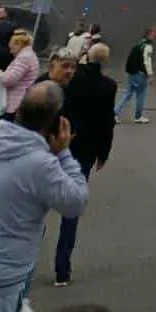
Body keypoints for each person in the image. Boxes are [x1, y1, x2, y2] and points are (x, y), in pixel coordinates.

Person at [0, 81, 88, 312]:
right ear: (56, 123)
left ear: (18, 111)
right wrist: (64, 154)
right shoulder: (42, 165)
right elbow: (75, 203)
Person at [54, 43, 116, 288]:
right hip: (87, 148)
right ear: (105, 61)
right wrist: (104, 153)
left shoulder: (71, 79)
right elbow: (107, 121)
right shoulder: (108, 86)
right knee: (72, 206)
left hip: (61, 141)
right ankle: (62, 269)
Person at [0, 32, 40, 123]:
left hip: (15, 103)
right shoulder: (29, 55)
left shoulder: (24, 58)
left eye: (11, 48)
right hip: (21, 101)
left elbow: (9, 80)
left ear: (19, 44)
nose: (10, 51)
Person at [115, 29, 153, 124]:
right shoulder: (148, 46)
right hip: (140, 74)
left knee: (128, 94)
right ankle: (138, 116)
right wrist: (150, 74)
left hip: (131, 72)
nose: (154, 36)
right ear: (149, 35)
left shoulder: (139, 44)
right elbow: (147, 61)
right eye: (153, 34)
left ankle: (115, 113)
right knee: (141, 94)